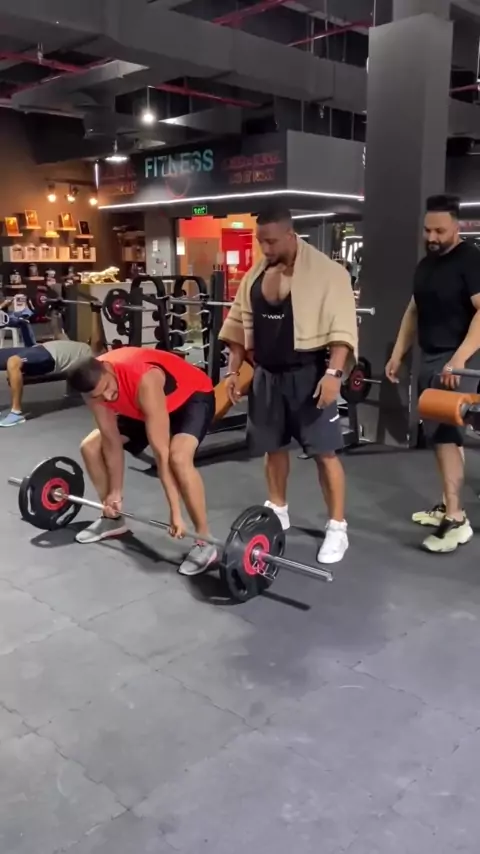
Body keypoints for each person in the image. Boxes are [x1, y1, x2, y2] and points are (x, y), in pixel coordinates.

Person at [218, 206, 358, 565]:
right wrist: (232, 372)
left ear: (291, 235)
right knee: (273, 448)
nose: (265, 248)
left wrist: (333, 374)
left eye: (272, 241)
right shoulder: (255, 275)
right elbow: (237, 326)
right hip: (267, 374)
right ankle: (278, 509)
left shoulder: (328, 273)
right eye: (260, 241)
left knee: (325, 453)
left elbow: (342, 329)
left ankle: (337, 528)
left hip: (309, 374)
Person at [66, 347, 217, 576]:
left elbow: (161, 454)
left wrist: (175, 512)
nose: (108, 397)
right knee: (90, 447)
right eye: (99, 395)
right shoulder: (92, 390)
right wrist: (115, 493)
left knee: (178, 458)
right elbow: (111, 441)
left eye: (107, 388)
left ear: (107, 369)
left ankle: (205, 540)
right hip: (139, 407)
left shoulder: (145, 378)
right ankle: (112, 518)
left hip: (191, 398)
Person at [386, 193, 480, 553]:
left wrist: (459, 359)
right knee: (443, 436)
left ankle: (456, 519)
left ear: (457, 226)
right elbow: (414, 310)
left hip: (456, 362)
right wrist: (398, 354)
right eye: (428, 230)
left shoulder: (470, 260)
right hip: (430, 359)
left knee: (445, 437)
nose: (432, 237)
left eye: (440, 231)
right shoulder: (427, 264)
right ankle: (447, 503)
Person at [0, 304, 104, 428]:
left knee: (13, 362)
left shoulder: (93, 355)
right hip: (36, 350)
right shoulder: (73, 344)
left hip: (49, 357)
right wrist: (54, 311)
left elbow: (98, 340)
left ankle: (16, 413)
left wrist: (96, 312)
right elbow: (57, 331)